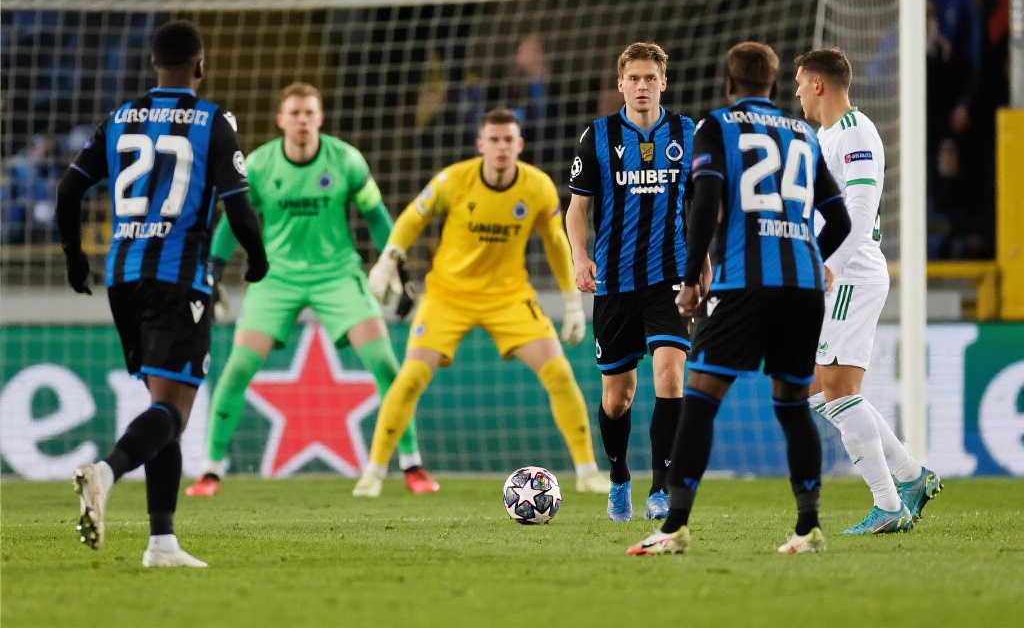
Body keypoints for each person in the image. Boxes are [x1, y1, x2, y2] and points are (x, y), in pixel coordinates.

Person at [55, 19, 268, 567]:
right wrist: (258, 258)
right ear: (200, 66)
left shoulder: (119, 118)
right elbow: (239, 207)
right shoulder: (213, 120)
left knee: (161, 403)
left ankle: (162, 542)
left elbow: (69, 188)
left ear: (153, 64)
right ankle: (105, 473)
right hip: (179, 277)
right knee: (174, 410)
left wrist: (75, 256)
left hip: (123, 277)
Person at [627, 41, 852, 556]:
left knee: (701, 400)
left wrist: (690, 281)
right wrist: (811, 259)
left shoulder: (717, 125)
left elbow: (705, 203)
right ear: (773, 85)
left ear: (730, 84)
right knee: (793, 405)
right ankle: (808, 528)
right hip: (802, 289)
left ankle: (674, 527)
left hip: (742, 286)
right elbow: (839, 220)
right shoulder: (804, 133)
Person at [186, 82, 439, 498]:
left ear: (320, 118)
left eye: (309, 113)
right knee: (237, 369)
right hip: (275, 278)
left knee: (386, 366)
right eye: (295, 113)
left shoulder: (347, 160)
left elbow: (377, 216)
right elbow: (233, 222)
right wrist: (212, 270)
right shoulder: (258, 165)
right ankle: (210, 472)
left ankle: (412, 464)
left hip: (338, 275)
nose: (302, 120)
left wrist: (400, 266)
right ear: (280, 119)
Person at [352, 108, 608, 497]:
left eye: (508, 140)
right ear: (480, 144)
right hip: (448, 296)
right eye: (494, 140)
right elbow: (411, 218)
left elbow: (556, 242)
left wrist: (572, 302)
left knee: (559, 373)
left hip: (509, 297)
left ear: (520, 145)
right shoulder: (453, 180)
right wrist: (389, 260)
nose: (501, 147)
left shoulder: (537, 187)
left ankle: (587, 471)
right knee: (411, 377)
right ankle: (373, 472)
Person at [793, 48, 942, 533]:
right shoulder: (825, 136)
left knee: (837, 390)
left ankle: (889, 504)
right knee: (816, 387)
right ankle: (910, 475)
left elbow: (858, 212)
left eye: (800, 83)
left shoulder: (856, 133)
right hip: (836, 275)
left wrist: (829, 265)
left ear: (818, 84)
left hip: (851, 275)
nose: (797, 92)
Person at [565, 41, 702, 522]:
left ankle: (661, 489)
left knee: (670, 376)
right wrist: (579, 257)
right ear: (620, 83)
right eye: (634, 78)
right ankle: (619, 476)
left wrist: (702, 264)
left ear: (664, 83)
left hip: (670, 276)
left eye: (651, 78)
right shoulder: (597, 136)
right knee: (617, 396)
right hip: (615, 282)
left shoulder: (687, 133)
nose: (642, 86)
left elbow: (703, 205)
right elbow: (577, 208)